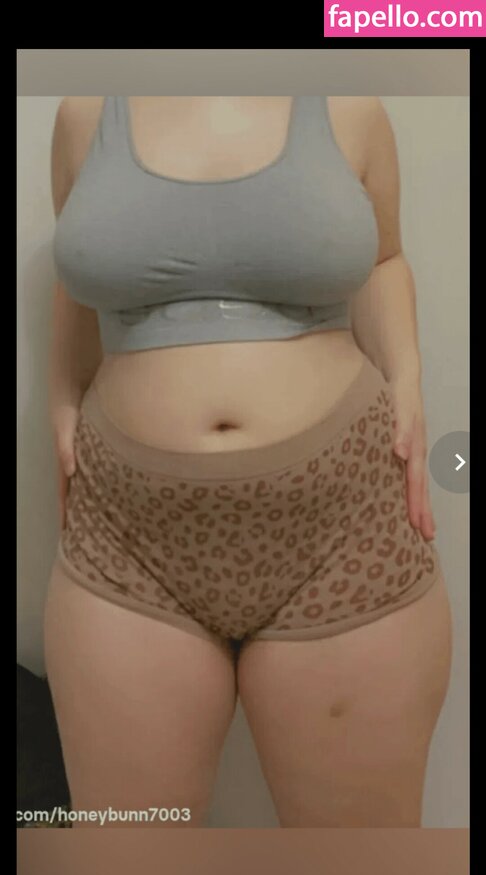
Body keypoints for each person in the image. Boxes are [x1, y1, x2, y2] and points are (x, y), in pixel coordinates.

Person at [43, 95, 452, 828]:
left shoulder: (350, 107)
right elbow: (75, 279)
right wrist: (60, 397)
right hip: (128, 539)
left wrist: (409, 376)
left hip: (342, 529)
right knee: (130, 874)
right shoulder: (84, 114)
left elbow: (384, 258)